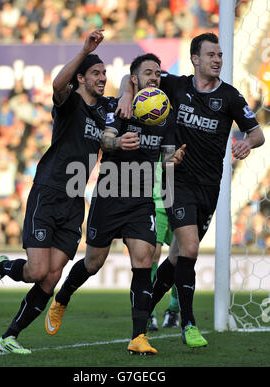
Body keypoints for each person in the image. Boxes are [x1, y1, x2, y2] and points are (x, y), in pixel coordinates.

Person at [117, 32, 265, 348]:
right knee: (192, 249)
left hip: (210, 187)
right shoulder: (175, 85)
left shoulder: (231, 97)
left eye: (220, 55)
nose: (217, 60)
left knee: (177, 258)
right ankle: (188, 324)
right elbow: (132, 76)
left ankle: (145, 306)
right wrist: (126, 95)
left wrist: (245, 144)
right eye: (211, 55)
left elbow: (257, 134)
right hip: (176, 180)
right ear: (195, 59)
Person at [0, 29, 117, 354]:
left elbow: (125, 103)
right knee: (36, 270)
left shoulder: (105, 109)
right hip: (49, 190)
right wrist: (85, 50)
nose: (102, 78)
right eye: (96, 73)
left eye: (104, 73)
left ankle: (9, 337)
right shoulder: (70, 102)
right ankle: (2, 267)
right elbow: (57, 85)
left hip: (74, 200)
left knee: (51, 278)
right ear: (80, 77)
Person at [45, 53, 186, 355]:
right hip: (108, 196)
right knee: (93, 263)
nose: (155, 78)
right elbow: (105, 143)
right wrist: (119, 139)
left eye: (158, 74)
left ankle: (138, 336)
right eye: (148, 73)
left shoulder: (166, 114)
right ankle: (62, 298)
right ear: (134, 79)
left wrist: (172, 159)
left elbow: (168, 157)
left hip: (141, 200)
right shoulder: (116, 106)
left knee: (144, 262)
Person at [148, 158, 179, 332]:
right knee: (151, 254)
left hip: (179, 202)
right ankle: (149, 311)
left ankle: (174, 309)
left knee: (180, 257)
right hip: (156, 201)